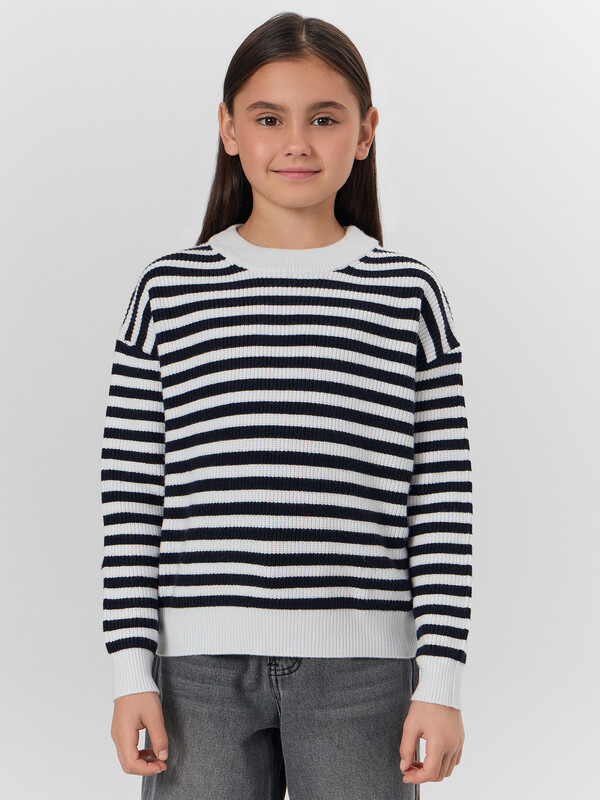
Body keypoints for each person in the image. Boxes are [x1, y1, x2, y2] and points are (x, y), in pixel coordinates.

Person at [100, 12, 473, 799]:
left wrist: (440, 681)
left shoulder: (407, 294)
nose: (296, 142)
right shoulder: (168, 293)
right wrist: (131, 670)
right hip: (196, 675)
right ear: (229, 130)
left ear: (365, 132)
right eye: (269, 118)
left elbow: (441, 501)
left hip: (365, 674)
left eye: (324, 119)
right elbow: (132, 495)